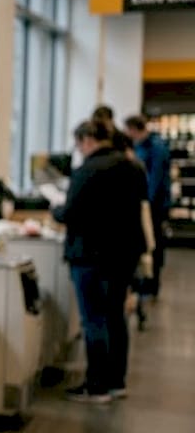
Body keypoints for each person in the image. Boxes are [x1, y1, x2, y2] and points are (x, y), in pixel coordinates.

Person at [52, 119, 148, 403]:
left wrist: (54, 209)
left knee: (93, 319)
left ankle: (96, 384)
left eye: (79, 144)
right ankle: (116, 381)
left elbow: (69, 212)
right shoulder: (131, 166)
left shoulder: (87, 170)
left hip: (91, 256)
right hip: (124, 254)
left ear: (88, 140)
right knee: (115, 317)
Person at [124, 114, 171, 305]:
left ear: (134, 129)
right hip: (145, 204)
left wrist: (145, 203)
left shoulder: (156, 147)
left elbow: (155, 180)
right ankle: (143, 284)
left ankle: (150, 285)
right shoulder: (138, 146)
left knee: (152, 244)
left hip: (154, 206)